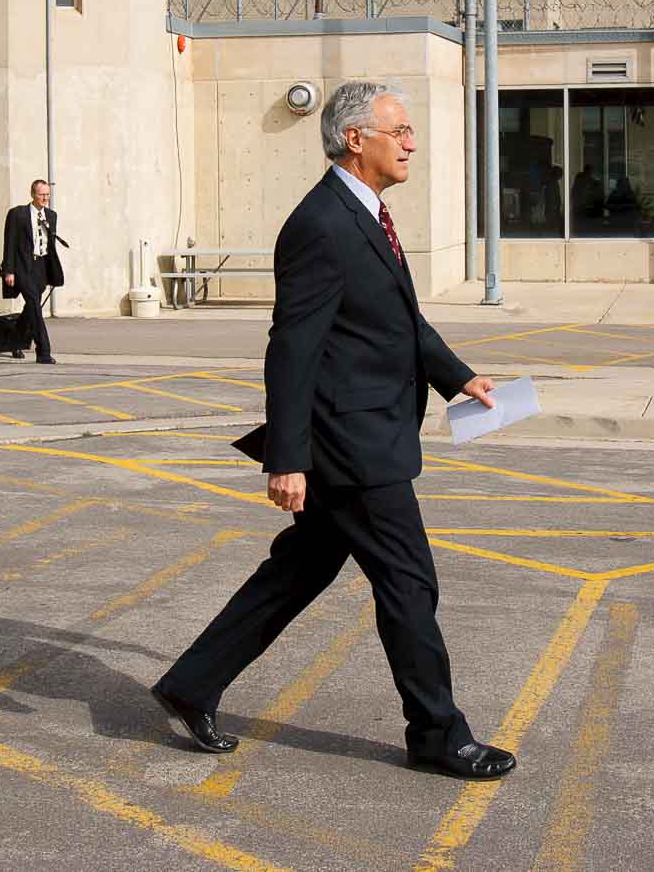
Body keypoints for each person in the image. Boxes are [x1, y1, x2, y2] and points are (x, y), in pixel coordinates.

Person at [151, 80, 516, 782]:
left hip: (363, 434)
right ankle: (438, 732)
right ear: (356, 139)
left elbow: (400, 321)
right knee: (410, 584)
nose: (411, 142)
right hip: (353, 446)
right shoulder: (320, 223)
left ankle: (193, 684)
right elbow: (292, 347)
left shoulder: (368, 215)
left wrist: (458, 377)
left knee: (298, 571)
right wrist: (287, 459)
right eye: (400, 130)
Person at [0, 179, 68, 364]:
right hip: (22, 266)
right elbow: (10, 243)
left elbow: (49, 245)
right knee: (35, 308)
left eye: (47, 194)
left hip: (41, 267)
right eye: (41, 194)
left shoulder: (51, 216)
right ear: (32, 194)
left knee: (31, 307)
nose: (44, 198)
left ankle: (14, 341)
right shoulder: (17, 214)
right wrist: (9, 270)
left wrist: (52, 271)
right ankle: (43, 351)